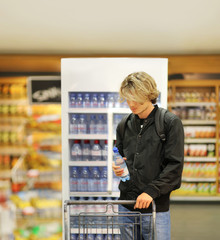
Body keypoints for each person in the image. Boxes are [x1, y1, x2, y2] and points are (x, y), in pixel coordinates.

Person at [112, 71, 184, 240]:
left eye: (136, 98)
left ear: (149, 94)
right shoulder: (124, 125)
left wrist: (151, 191)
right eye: (128, 98)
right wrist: (119, 168)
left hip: (154, 209)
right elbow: (121, 158)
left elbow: (174, 166)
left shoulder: (169, 123)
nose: (131, 103)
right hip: (126, 207)